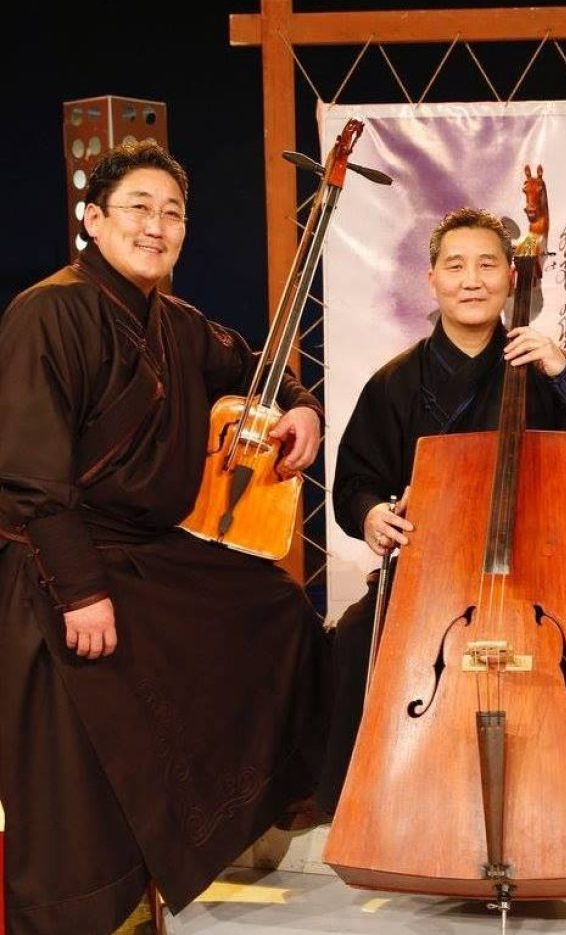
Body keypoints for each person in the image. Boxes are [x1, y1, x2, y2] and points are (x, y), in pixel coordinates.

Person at [0, 140, 334, 935]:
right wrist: (81, 592)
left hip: (147, 554)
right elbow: (30, 476)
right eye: (139, 208)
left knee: (273, 608)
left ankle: (225, 817)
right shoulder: (48, 313)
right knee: (80, 770)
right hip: (56, 560)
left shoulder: (178, 324)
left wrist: (301, 408)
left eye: (172, 213)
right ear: (92, 219)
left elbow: (257, 370)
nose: (156, 226)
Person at [315, 205, 566, 814]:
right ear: (432, 280)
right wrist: (372, 516)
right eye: (455, 266)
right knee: (356, 637)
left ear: (511, 278)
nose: (471, 280)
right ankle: (367, 807)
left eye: (487, 265)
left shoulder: (546, 368)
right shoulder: (394, 382)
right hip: (432, 571)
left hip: (541, 568)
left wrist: (562, 371)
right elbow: (353, 486)